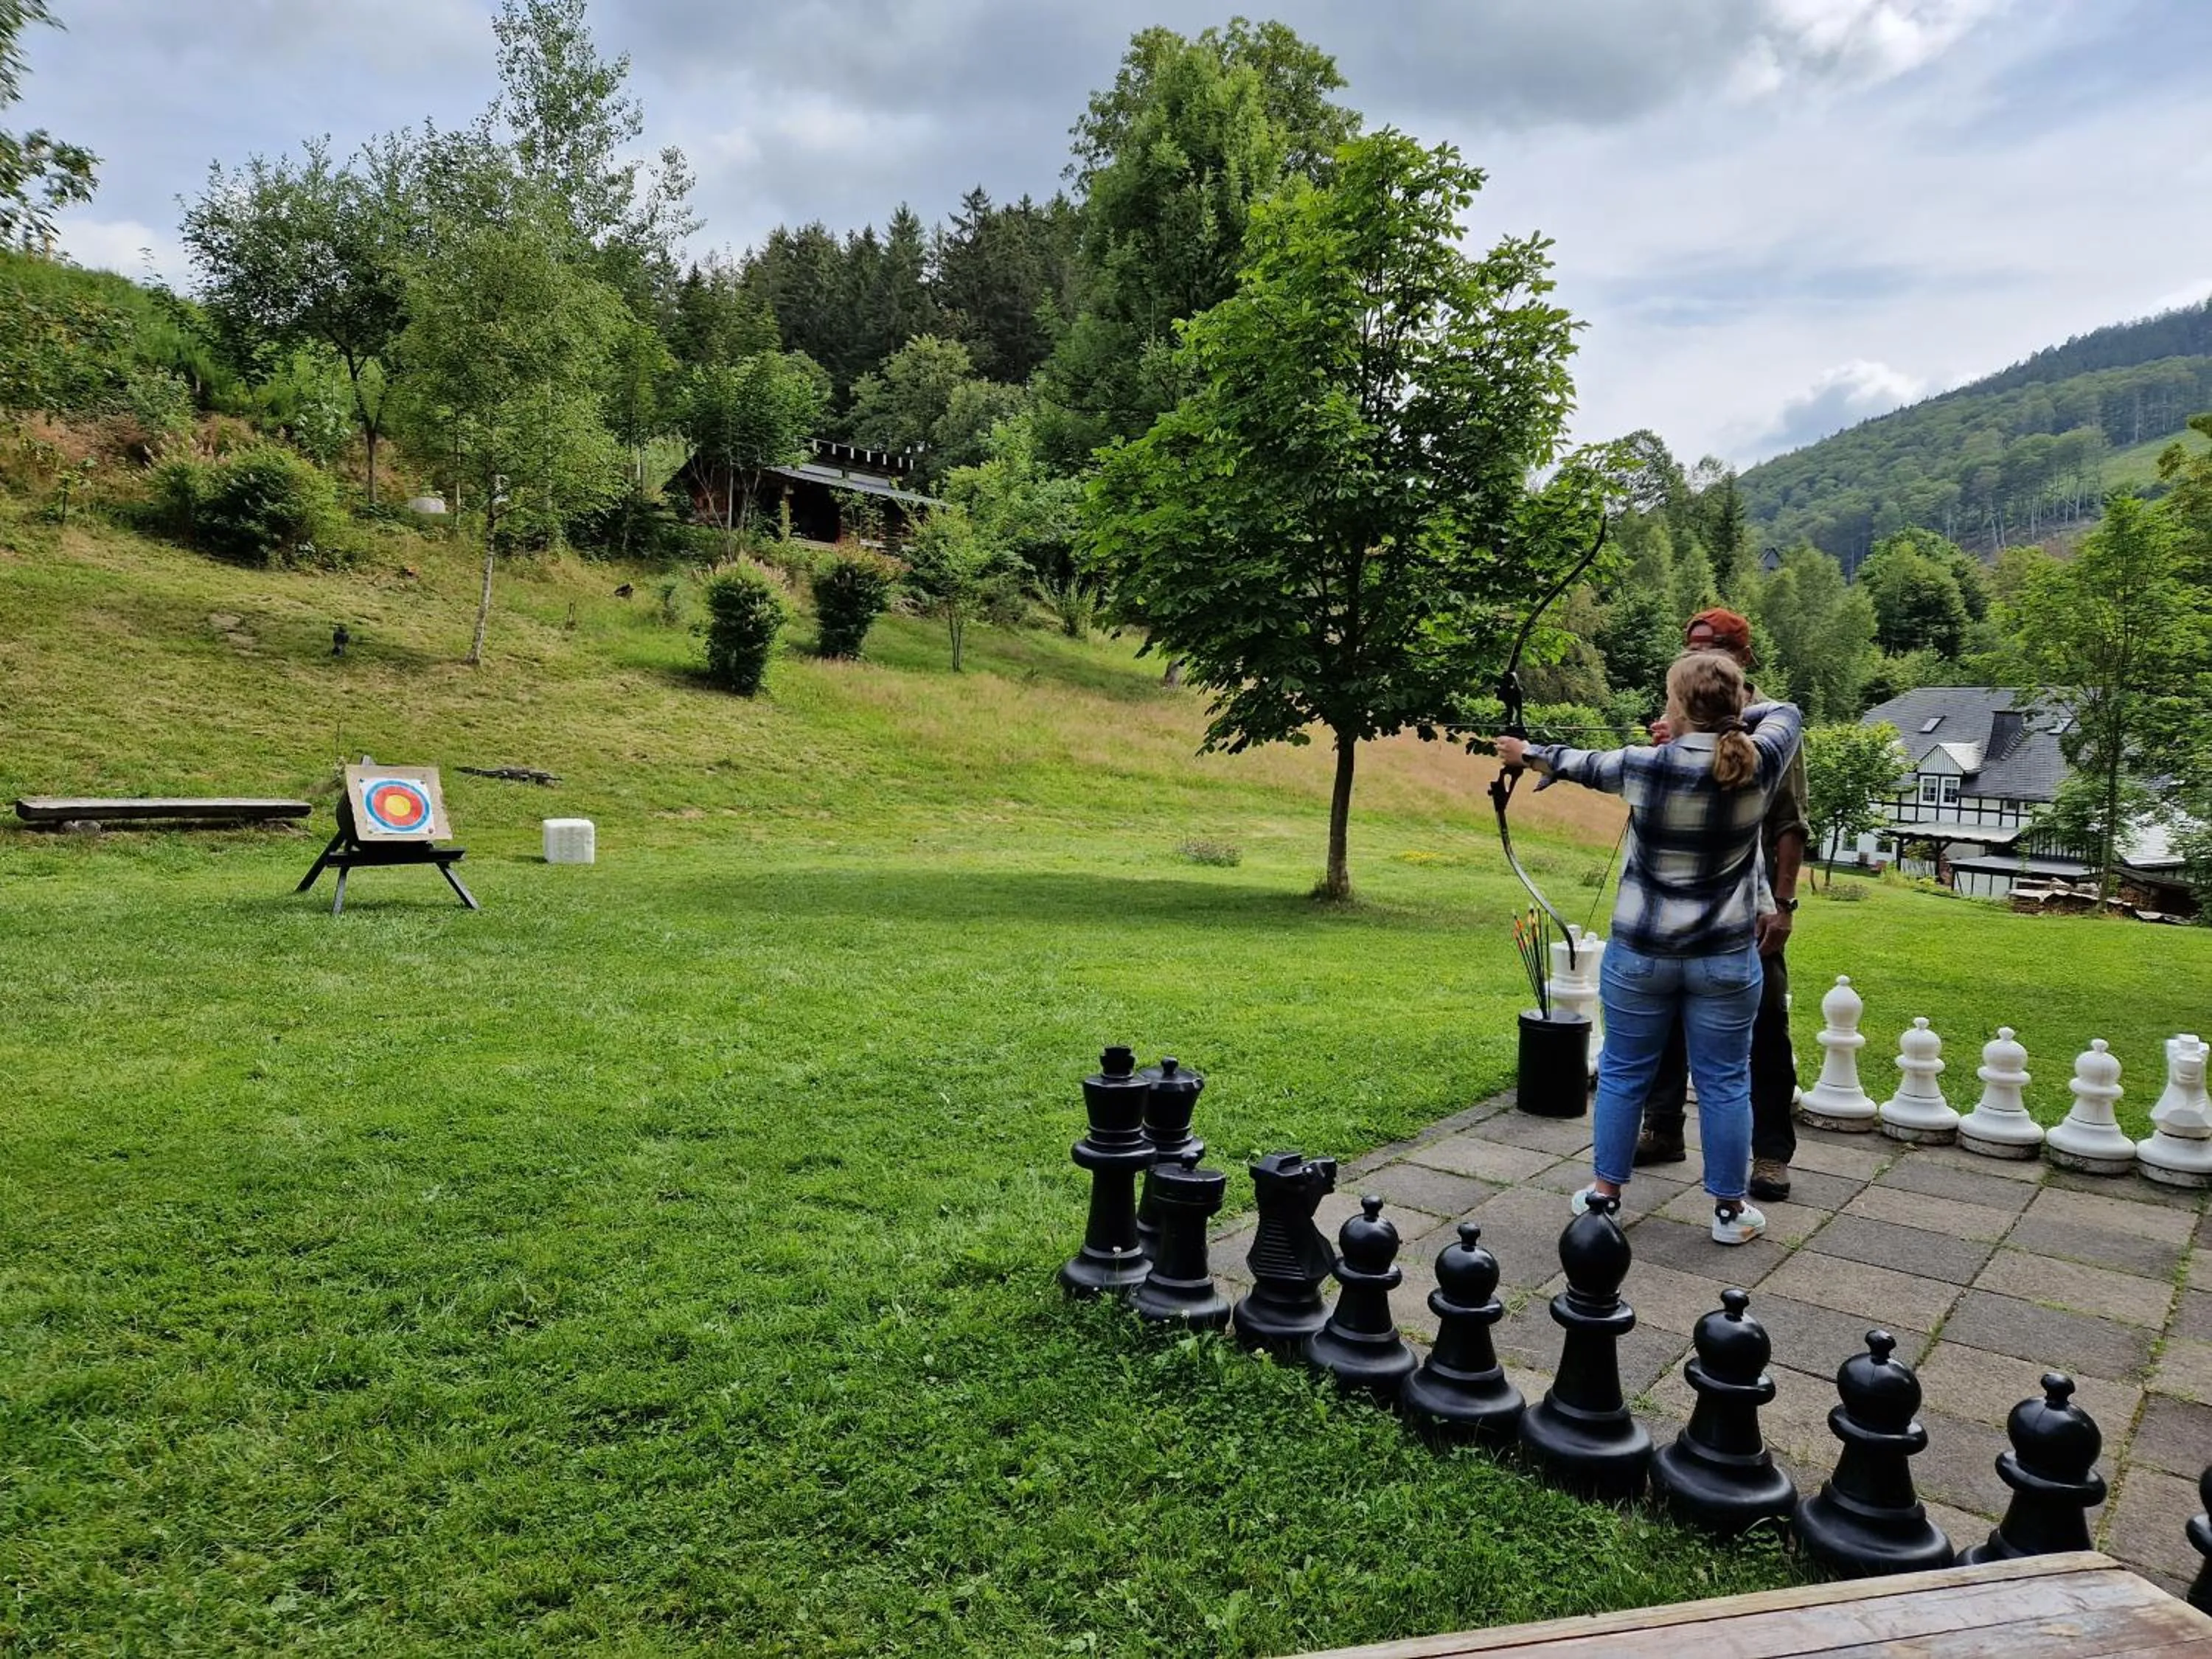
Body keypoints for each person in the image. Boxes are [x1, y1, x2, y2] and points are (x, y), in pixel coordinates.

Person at [1493, 652, 1803, 1244]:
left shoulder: (1646, 765)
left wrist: (1522, 753)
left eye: (1671, 697)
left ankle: (1605, 1196)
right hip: (1725, 958)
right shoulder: (1760, 759)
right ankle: (1730, 1211)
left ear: (1678, 705)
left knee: (1623, 1075)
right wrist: (1728, 717)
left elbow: (1573, 761)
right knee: (1725, 1082)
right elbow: (1787, 710)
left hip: (1642, 956)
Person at [1634, 608, 1810, 1203]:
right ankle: (1662, 1127)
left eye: (1710, 645)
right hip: (1678, 900)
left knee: (1765, 1025)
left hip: (1747, 904)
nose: (1697, 654)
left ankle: (1770, 1154)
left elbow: (1790, 822)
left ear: (1742, 655)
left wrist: (1783, 904)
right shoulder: (1680, 712)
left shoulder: (1773, 724)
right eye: (1690, 645)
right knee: (1664, 1013)